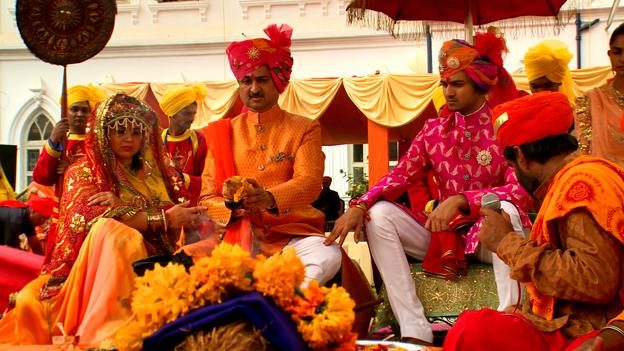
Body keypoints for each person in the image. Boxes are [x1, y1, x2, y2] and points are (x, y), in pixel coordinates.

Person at [326, 34, 533, 345]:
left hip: (489, 239)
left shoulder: (502, 127)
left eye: (457, 84)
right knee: (379, 214)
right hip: (442, 235)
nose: (447, 92)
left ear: (479, 84)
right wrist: (360, 204)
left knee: (508, 210)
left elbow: (520, 191)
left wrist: (464, 200)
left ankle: (508, 321)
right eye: (444, 84)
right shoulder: (433, 131)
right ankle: (414, 329)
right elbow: (399, 176)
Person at [0, 94, 204, 345]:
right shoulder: (82, 172)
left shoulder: (155, 174)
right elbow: (90, 217)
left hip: (154, 261)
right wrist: (159, 217)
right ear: (104, 134)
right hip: (87, 266)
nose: (128, 139)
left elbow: (182, 211)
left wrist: (127, 209)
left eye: (135, 132)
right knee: (115, 232)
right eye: (119, 131)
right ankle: (107, 328)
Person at [444, 91, 624, 351]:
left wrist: (507, 242)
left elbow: (595, 280)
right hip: (573, 325)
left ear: (521, 157)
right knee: (480, 325)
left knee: (474, 331)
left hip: (594, 332)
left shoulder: (579, 186)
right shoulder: (581, 175)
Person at [199, 23, 341, 287]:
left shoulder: (304, 127)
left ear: (277, 82)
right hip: (238, 239)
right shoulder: (223, 132)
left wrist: (267, 198)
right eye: (246, 81)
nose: (254, 88)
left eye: (262, 80)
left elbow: (309, 183)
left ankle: (290, 304)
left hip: (292, 238)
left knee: (326, 252)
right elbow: (207, 198)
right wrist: (231, 204)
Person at [32, 84, 106, 261]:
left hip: (90, 213)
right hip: (62, 214)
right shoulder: (59, 141)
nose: (79, 114)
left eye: (84, 110)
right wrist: (53, 140)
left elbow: (105, 177)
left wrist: (73, 171)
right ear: (66, 112)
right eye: (74, 109)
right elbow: (42, 177)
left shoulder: (99, 143)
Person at [575, 23, 624, 166]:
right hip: (604, 182)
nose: (622, 58)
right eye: (617, 52)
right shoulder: (591, 100)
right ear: (609, 55)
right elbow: (584, 154)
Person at [159, 84, 208, 203]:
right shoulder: (158, 139)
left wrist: (183, 179)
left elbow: (208, 180)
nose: (192, 118)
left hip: (192, 203)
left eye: (193, 113)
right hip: (165, 203)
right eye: (187, 114)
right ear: (172, 113)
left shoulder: (199, 139)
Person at [524, 39, 575, 106]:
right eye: (535, 86)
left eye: (547, 86)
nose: (541, 93)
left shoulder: (570, 111)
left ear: (559, 83)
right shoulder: (523, 109)